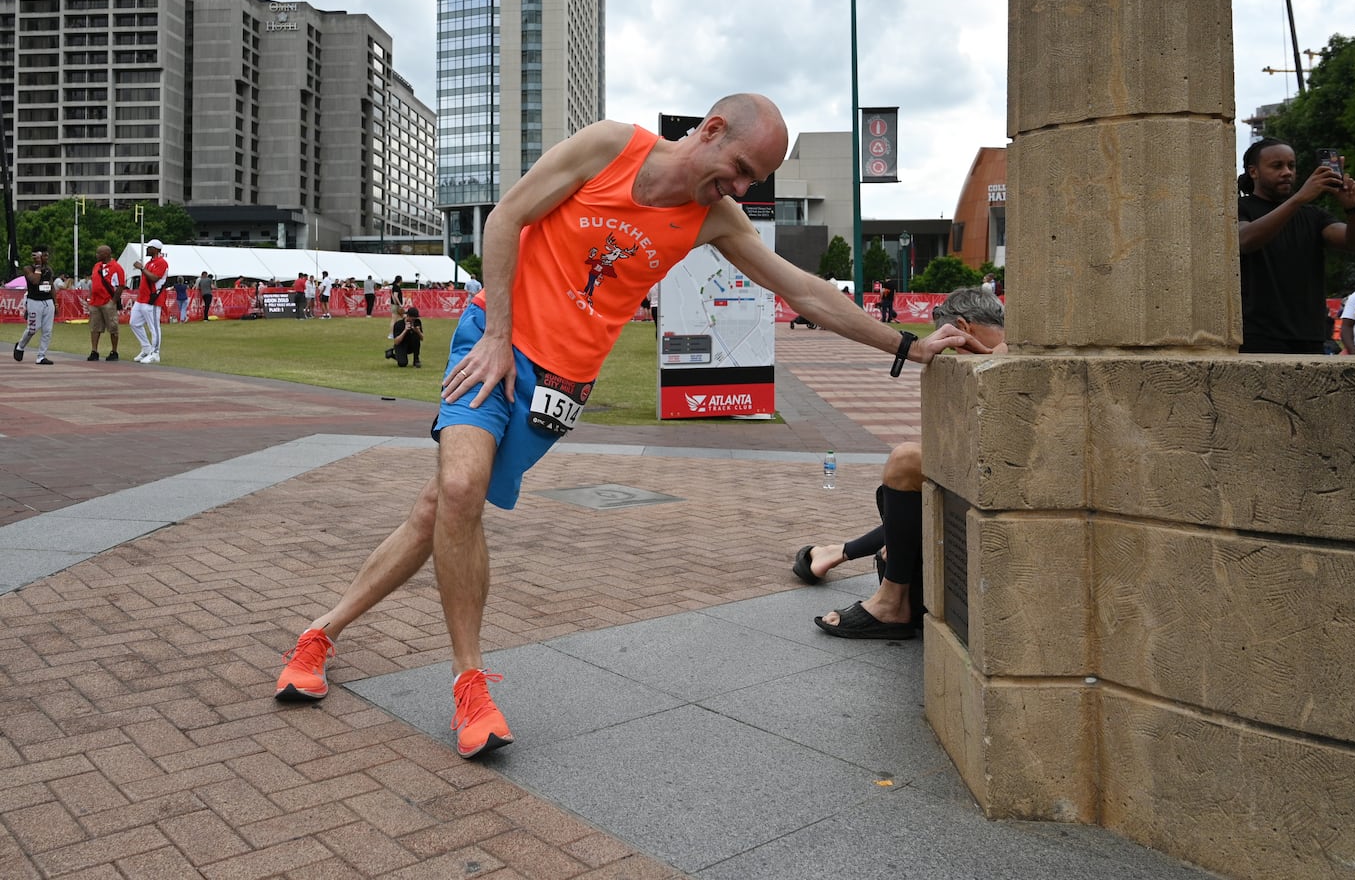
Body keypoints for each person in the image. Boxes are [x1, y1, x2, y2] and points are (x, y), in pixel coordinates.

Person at [272, 93, 992, 758]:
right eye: (739, 170)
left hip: (561, 384)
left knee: (437, 511)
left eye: (754, 181)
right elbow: (506, 218)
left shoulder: (714, 219)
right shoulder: (610, 147)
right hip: (494, 344)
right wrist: (494, 331)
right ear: (709, 129)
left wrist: (905, 345)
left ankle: (319, 635)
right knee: (457, 490)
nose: (740, 189)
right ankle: (470, 686)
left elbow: (801, 288)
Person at [792, 288, 1006, 638]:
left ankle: (888, 597)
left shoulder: (1007, 349)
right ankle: (836, 553)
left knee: (905, 462)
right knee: (908, 489)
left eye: (950, 342)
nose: (948, 353)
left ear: (963, 327)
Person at [1237, 137, 1355, 353]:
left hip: (1309, 334)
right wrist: (1299, 198)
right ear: (1254, 172)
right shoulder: (1240, 207)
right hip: (1257, 334)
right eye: (1277, 166)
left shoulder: (1313, 215)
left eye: (1291, 165)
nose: (1287, 172)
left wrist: (1353, 209)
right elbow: (1244, 240)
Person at [13, 245, 57, 365]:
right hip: (34, 301)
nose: (47, 257)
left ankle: (41, 356)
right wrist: (38, 266)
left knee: (47, 330)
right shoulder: (28, 269)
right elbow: (35, 281)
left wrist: (55, 303)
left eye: (47, 255)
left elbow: (51, 286)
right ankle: (20, 346)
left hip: (48, 301)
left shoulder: (48, 269)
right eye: (44, 255)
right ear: (37, 256)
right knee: (33, 329)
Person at [129, 239, 169, 364]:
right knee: (134, 323)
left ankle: (155, 353)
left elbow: (154, 278)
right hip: (142, 298)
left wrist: (141, 268)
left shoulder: (162, 262)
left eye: (149, 247)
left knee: (154, 327)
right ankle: (146, 348)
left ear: (155, 249)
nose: (147, 249)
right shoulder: (150, 263)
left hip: (153, 299)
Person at [87, 244, 125, 361]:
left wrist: (113, 301)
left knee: (113, 327)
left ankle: (114, 351)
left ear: (106, 254)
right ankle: (94, 350)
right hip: (95, 301)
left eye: (99, 253)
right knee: (95, 327)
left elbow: (121, 285)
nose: (96, 255)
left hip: (107, 301)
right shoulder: (97, 266)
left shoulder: (116, 267)